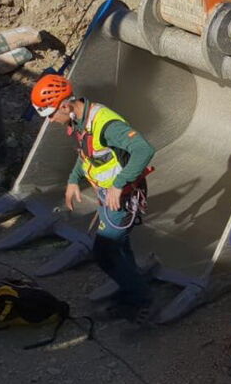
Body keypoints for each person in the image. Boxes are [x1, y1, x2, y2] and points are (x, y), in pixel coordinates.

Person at [30, 74, 155, 322]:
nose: (51, 121)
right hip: (107, 193)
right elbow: (88, 153)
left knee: (105, 252)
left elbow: (144, 149)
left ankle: (140, 299)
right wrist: (73, 179)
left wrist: (119, 186)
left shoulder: (106, 124)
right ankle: (133, 283)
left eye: (51, 115)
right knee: (120, 245)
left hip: (121, 197)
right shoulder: (80, 121)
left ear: (65, 106)